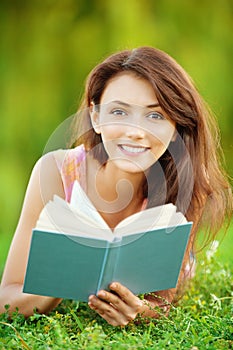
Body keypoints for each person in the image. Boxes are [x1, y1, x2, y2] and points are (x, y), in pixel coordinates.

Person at [0, 47, 232, 326]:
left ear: (174, 128)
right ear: (96, 117)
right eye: (119, 112)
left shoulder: (184, 184)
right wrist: (51, 289)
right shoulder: (56, 173)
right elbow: (7, 298)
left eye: (155, 116)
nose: (135, 131)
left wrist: (139, 312)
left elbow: (162, 302)